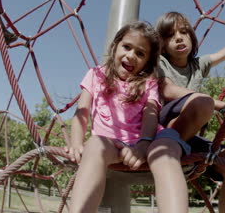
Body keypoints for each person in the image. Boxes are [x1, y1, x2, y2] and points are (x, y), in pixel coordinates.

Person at [153, 9, 225, 212]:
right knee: (202, 103)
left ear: (192, 36)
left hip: (187, 139)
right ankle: (178, 147)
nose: (179, 38)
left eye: (183, 32)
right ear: (162, 44)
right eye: (170, 35)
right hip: (164, 134)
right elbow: (168, 89)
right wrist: (223, 106)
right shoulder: (160, 63)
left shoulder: (198, 65)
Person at [65, 21, 189, 213]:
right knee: (94, 145)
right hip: (112, 144)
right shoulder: (96, 74)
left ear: (147, 62)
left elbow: (150, 115)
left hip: (147, 141)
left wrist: (143, 144)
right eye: (127, 47)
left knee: (166, 151)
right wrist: (75, 142)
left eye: (140, 53)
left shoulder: (147, 83)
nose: (131, 56)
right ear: (115, 46)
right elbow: (82, 112)